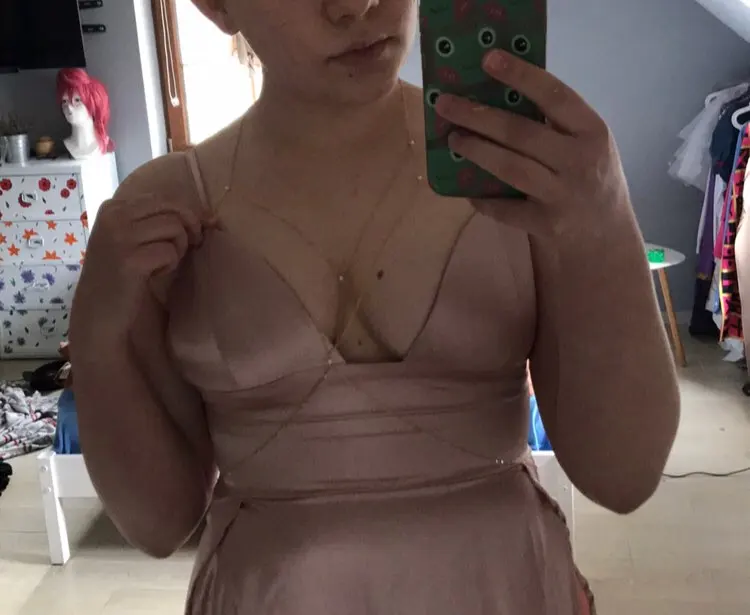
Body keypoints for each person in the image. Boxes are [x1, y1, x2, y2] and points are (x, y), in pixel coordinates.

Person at [69, 0, 680, 613]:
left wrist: (605, 225)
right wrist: (97, 330)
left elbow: (623, 476)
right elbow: (158, 524)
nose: (355, 5)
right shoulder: (162, 213)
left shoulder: (515, 170)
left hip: (503, 585)